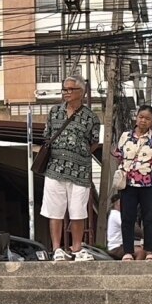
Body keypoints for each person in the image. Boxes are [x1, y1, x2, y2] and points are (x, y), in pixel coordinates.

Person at [41, 76, 101, 261]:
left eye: (70, 89)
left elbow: (94, 143)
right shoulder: (54, 112)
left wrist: (78, 154)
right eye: (64, 89)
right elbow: (46, 135)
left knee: (78, 211)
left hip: (80, 170)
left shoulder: (91, 117)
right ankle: (57, 248)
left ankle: (76, 248)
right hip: (55, 169)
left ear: (81, 92)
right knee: (55, 211)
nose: (66, 92)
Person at [112, 105, 152, 262]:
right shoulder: (125, 136)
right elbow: (118, 155)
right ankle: (128, 251)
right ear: (136, 117)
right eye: (141, 117)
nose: (143, 120)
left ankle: (150, 250)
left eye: (147, 118)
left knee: (148, 216)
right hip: (128, 183)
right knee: (127, 217)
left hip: (149, 184)